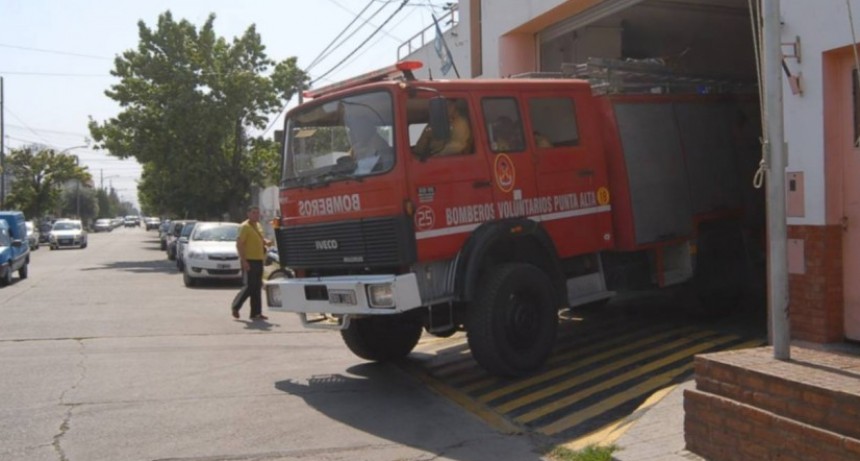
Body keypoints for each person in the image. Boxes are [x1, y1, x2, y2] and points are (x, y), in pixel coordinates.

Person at [231, 205, 271, 320]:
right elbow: (239, 244)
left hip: (259, 260)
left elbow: (260, 239)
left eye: (257, 213)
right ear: (248, 214)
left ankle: (256, 313)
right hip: (249, 260)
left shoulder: (258, 226)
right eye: (253, 213)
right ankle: (236, 306)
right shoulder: (244, 227)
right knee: (250, 286)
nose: (256, 215)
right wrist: (244, 261)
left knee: (257, 287)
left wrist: (266, 242)